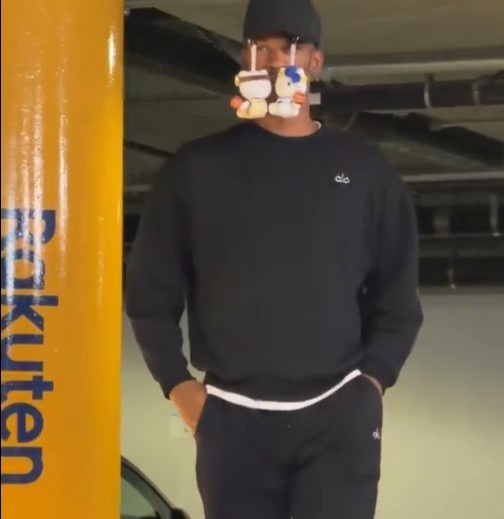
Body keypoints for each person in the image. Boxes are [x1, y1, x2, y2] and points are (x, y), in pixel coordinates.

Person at [125, 0, 423, 517]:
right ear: (245, 59)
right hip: (232, 417)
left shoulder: (364, 171)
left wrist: (373, 381)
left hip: (339, 413)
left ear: (314, 62)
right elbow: (150, 293)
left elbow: (397, 294)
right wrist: (179, 387)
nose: (274, 60)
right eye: (260, 48)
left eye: (290, 47)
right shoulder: (198, 169)